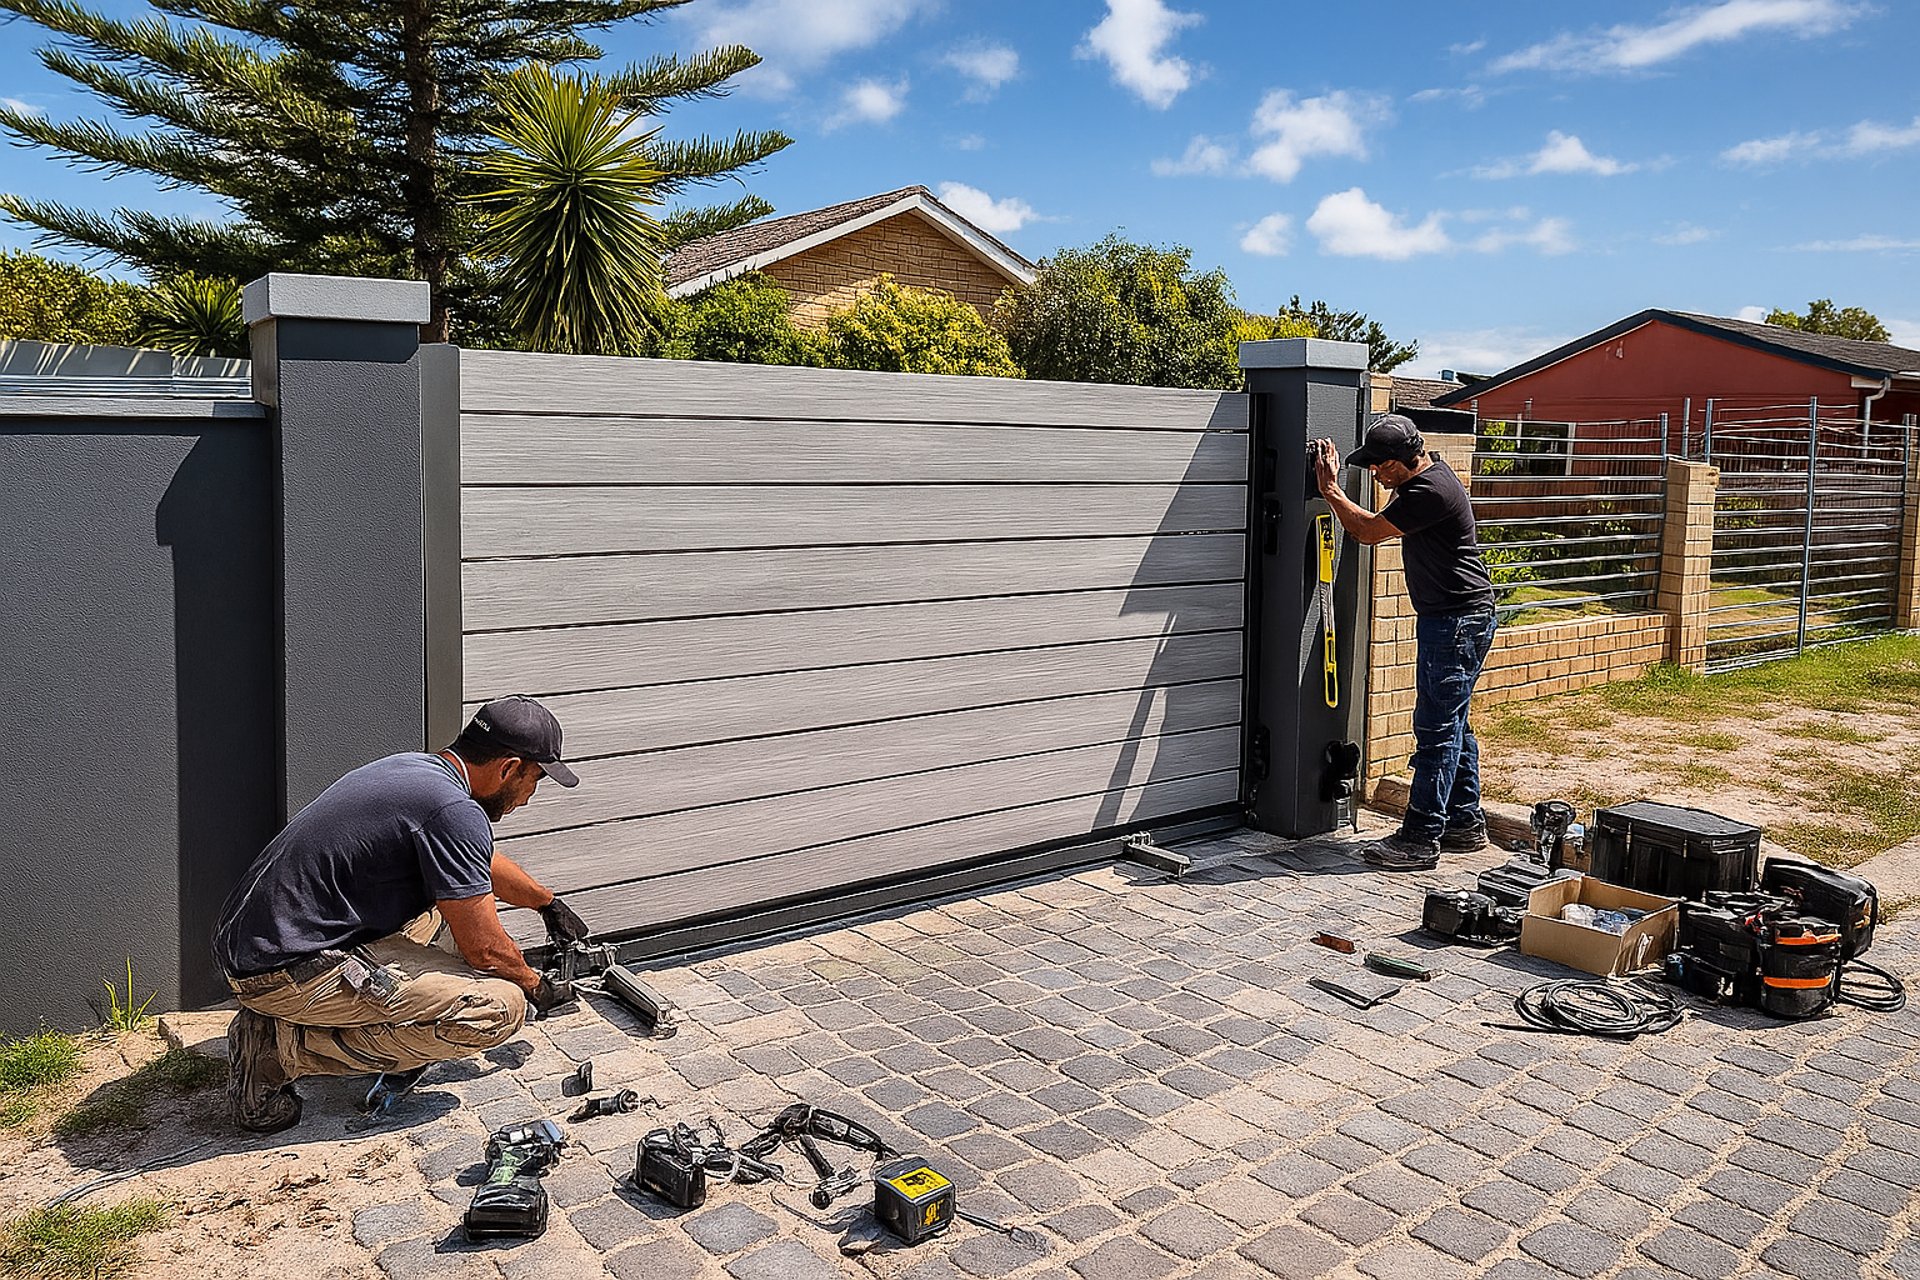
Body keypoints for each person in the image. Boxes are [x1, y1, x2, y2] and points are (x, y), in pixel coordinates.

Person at [212, 694, 592, 1133]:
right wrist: (535, 985)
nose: (528, 797)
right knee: (498, 1007)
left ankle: (311, 1022)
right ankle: (278, 1049)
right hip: (281, 971)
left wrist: (546, 903)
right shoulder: (453, 809)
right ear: (508, 768)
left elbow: (478, 861)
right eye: (535, 779)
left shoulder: (419, 771)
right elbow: (486, 949)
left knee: (445, 914)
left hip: (260, 944)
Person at [1312, 415, 1498, 871]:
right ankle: (1464, 822)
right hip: (1460, 618)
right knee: (1454, 724)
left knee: (1436, 730)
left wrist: (1331, 490)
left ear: (1402, 462)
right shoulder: (1428, 476)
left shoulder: (1428, 492)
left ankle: (1419, 837)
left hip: (1455, 622)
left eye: (1380, 466)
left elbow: (1369, 531)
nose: (1374, 474)